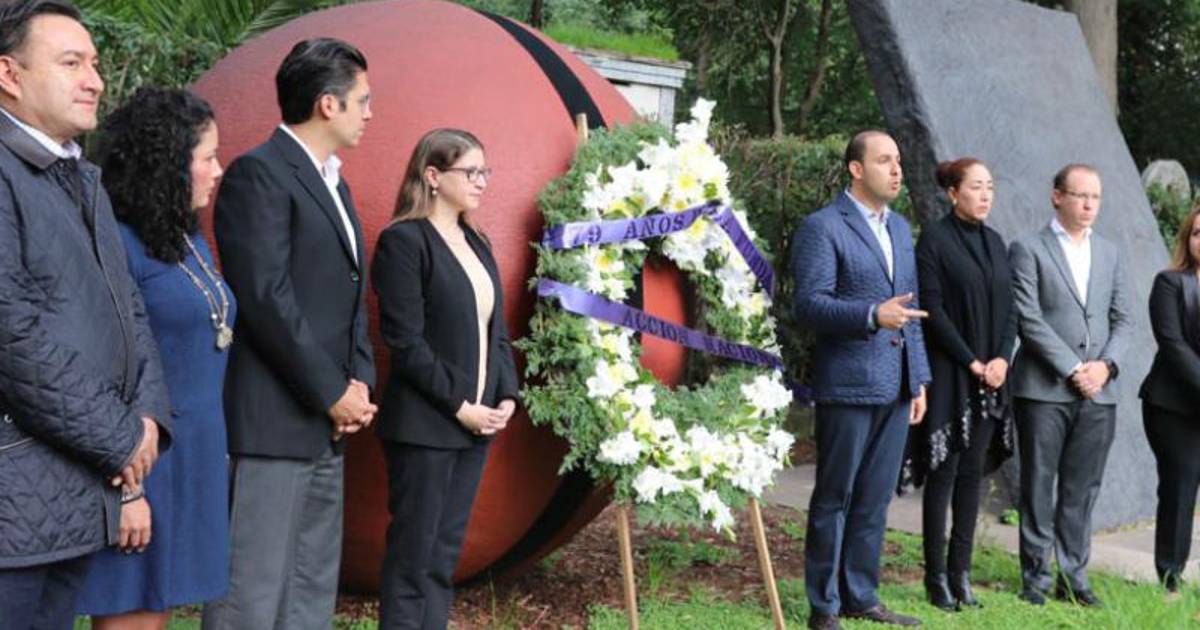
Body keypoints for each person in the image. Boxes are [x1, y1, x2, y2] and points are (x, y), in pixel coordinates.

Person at [0, 1, 170, 628]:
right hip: (14, 493)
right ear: (9, 74)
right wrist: (120, 437)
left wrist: (148, 419)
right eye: (72, 63)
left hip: (70, 495)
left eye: (95, 64)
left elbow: (129, 310)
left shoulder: (78, 176)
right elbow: (10, 333)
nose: (94, 81)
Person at [200, 37, 376, 630]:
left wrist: (358, 385)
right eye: (362, 100)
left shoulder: (336, 184)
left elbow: (349, 295)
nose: (369, 113)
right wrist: (331, 391)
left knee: (309, 594)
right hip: (272, 423)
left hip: (328, 423)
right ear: (328, 104)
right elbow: (266, 299)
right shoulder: (260, 174)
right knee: (249, 597)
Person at [75, 87, 234, 630]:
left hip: (196, 456)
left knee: (158, 610)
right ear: (168, 165)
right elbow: (103, 372)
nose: (218, 170)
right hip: (144, 464)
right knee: (132, 612)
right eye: (208, 157)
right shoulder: (116, 244)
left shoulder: (186, 237)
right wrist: (128, 490)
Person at [372, 128, 519, 629]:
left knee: (441, 562)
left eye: (485, 171)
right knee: (413, 560)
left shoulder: (477, 241)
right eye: (470, 171)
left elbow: (496, 332)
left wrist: (506, 394)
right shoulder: (404, 242)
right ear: (433, 176)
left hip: (475, 428)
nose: (482, 181)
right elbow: (405, 342)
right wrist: (461, 406)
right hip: (426, 427)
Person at [791, 129, 931, 630]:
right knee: (835, 497)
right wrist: (871, 314)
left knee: (874, 498)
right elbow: (809, 305)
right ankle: (824, 606)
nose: (896, 170)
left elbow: (910, 309)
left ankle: (861, 596)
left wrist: (918, 379)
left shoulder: (900, 229)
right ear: (856, 169)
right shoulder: (823, 227)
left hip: (896, 385)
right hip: (847, 383)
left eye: (898, 161)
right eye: (884, 161)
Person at [1009, 163, 1134, 607]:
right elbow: (1028, 318)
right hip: (1043, 389)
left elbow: (1124, 319)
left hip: (1100, 391)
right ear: (1057, 196)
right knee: (1038, 484)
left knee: (1083, 488)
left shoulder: (1111, 253)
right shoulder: (1028, 249)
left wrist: (1106, 367)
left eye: (1095, 197)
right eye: (1080, 195)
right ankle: (1037, 578)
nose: (1088, 205)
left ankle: (1074, 576)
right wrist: (1072, 368)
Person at [908, 158, 1015, 611]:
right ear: (953, 193)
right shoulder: (935, 238)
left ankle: (961, 574)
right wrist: (972, 362)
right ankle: (936, 577)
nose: (985, 195)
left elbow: (1010, 309)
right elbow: (932, 310)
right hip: (953, 372)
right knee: (944, 474)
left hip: (992, 376)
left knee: (972, 476)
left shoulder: (996, 242)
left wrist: (1002, 359)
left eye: (990, 186)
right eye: (975, 187)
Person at [1139, 201, 1200, 592]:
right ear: (1187, 239)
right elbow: (1173, 345)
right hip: (1173, 408)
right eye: (1197, 232)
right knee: (1180, 487)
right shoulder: (1170, 283)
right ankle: (1170, 581)